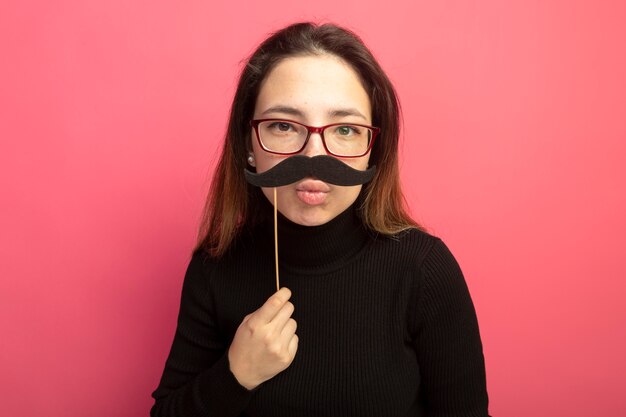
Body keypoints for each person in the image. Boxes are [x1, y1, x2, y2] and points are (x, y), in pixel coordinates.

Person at [151, 22, 490, 417]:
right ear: (248, 144)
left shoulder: (423, 270)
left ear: (371, 151)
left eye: (345, 129)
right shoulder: (216, 268)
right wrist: (235, 374)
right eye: (283, 126)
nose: (313, 158)